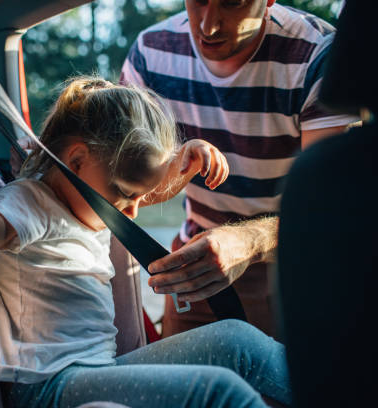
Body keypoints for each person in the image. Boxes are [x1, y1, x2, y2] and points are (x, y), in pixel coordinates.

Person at [0, 68, 292, 407]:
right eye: (125, 194)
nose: (134, 210)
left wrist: (184, 162)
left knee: (238, 340)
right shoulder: (31, 203)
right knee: (217, 391)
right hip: (49, 388)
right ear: (76, 161)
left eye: (137, 196)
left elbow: (141, 188)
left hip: (100, 371)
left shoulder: (90, 196)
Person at [120, 0, 358, 338]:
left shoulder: (319, 56)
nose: (207, 26)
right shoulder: (150, 52)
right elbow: (125, 184)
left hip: (297, 272)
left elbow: (333, 208)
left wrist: (248, 242)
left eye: (233, 2)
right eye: (198, 0)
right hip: (194, 271)